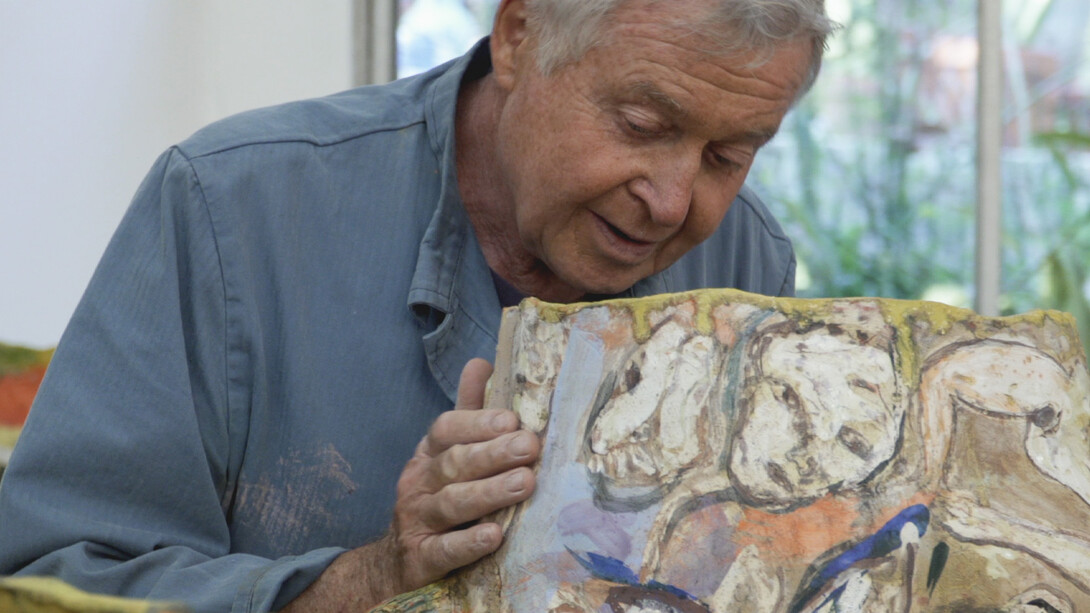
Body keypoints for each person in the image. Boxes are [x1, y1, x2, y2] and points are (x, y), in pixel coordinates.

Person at [0, 0, 835, 610]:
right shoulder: (230, 206)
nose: (672, 201)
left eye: (730, 156)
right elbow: (46, 581)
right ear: (519, 37)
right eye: (642, 123)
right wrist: (376, 576)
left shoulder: (745, 261)